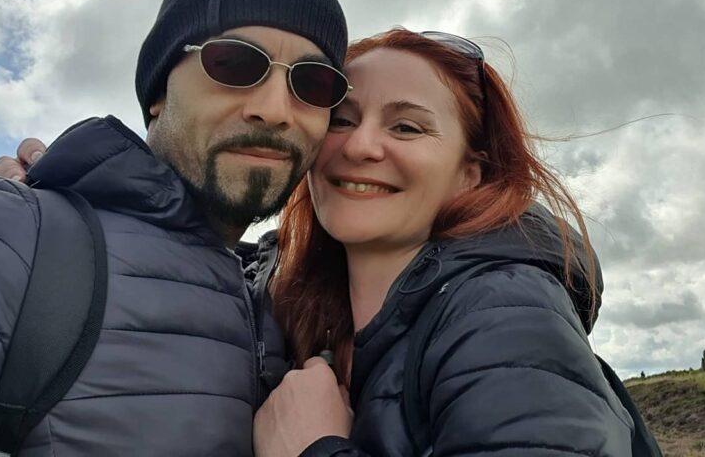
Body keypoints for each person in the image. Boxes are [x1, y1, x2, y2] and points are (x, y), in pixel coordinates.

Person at [0, 0, 348, 456]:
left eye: (313, 82)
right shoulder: (2, 235)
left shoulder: (291, 294)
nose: (276, 110)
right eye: (233, 62)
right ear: (158, 94)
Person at [251, 29, 636, 456]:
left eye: (407, 127)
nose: (359, 146)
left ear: (470, 174)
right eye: (342, 120)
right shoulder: (291, 307)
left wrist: (310, 449)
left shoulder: (504, 313)